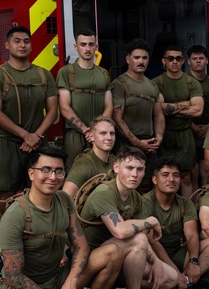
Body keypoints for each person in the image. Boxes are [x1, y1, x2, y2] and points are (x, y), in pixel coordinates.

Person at [0, 146, 125, 289]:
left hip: (57, 278)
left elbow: (82, 247)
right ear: (31, 173)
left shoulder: (64, 201)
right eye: (46, 170)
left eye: (59, 171)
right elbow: (13, 276)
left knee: (113, 253)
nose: (53, 177)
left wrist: (70, 284)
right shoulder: (15, 215)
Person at [0, 26, 58, 276]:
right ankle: (1, 255)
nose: (22, 45)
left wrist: (35, 136)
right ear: (7, 45)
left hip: (37, 145)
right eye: (16, 41)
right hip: (6, 144)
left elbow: (53, 111)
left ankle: (35, 254)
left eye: (26, 41)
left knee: (39, 199)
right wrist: (25, 135)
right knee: (3, 203)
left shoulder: (43, 75)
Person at [78, 147, 178, 289]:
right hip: (89, 262)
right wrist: (151, 221)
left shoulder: (135, 198)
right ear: (116, 167)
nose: (134, 174)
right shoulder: (104, 192)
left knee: (170, 278)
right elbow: (121, 231)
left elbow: (142, 237)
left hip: (117, 258)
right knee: (137, 239)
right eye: (129, 168)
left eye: (139, 169)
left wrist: (154, 260)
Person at [145, 158, 209, 289]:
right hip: (155, 257)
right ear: (155, 180)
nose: (171, 179)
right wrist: (175, 272)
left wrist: (193, 261)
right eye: (165, 175)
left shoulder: (185, 203)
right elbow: (153, 242)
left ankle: (186, 282)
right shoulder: (145, 202)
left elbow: (192, 235)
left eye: (176, 175)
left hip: (178, 253)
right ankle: (182, 281)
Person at [111, 39, 165, 188]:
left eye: (144, 58)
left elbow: (158, 115)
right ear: (128, 59)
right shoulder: (119, 84)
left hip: (149, 144)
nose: (141, 61)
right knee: (128, 184)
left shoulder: (152, 85)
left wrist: (159, 137)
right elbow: (116, 118)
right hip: (127, 144)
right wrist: (137, 143)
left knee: (149, 183)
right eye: (137, 57)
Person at [56, 29, 113, 168]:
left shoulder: (104, 73)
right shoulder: (66, 72)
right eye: (83, 44)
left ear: (96, 47)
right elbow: (64, 107)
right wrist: (86, 130)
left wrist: (98, 130)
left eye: (91, 44)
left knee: (102, 171)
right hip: (75, 136)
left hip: (100, 135)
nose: (87, 49)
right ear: (76, 46)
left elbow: (109, 106)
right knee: (75, 171)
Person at [153, 45, 203, 196]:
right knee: (163, 176)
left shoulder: (192, 83)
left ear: (183, 61)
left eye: (178, 58)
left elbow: (198, 110)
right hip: (165, 135)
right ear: (164, 61)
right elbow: (159, 110)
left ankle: (188, 209)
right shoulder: (156, 83)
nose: (174, 62)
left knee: (186, 177)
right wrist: (187, 103)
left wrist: (170, 108)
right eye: (170, 58)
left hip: (185, 135)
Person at [187, 45, 209, 188]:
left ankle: (205, 199)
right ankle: (194, 201)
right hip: (188, 131)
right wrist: (194, 127)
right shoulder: (184, 80)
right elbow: (181, 109)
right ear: (188, 61)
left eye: (201, 58)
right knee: (192, 173)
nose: (198, 61)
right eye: (194, 59)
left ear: (207, 60)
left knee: (206, 171)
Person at [62, 115, 117, 197]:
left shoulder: (115, 161)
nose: (109, 138)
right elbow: (65, 197)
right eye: (103, 133)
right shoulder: (84, 164)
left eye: (112, 133)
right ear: (91, 137)